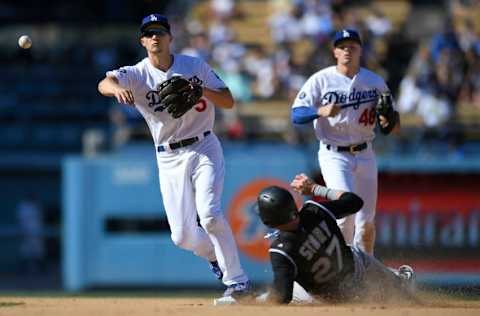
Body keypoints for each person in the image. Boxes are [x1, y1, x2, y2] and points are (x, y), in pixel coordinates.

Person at [98, 14, 250, 296]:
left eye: (160, 32)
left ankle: (237, 281)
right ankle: (216, 258)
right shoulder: (138, 73)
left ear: (170, 38)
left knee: (210, 215)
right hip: (168, 156)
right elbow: (104, 83)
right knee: (182, 237)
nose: (155, 37)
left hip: (204, 146)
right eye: (149, 33)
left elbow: (228, 100)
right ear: (143, 41)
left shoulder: (193, 65)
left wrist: (199, 90)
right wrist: (117, 90)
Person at [291, 29, 400, 255]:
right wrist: (320, 111)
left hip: (365, 153)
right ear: (335, 52)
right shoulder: (321, 80)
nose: (347, 50)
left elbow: (392, 127)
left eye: (352, 46)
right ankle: (341, 275)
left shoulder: (374, 82)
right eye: (342, 47)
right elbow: (296, 115)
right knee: (345, 216)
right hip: (334, 154)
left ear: (360, 50)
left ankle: (365, 274)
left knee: (366, 224)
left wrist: (387, 119)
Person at [255, 174, 415, 305]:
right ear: (292, 205)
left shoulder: (281, 250)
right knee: (395, 284)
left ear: (267, 222)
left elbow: (282, 297)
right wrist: (314, 188)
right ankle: (398, 283)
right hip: (358, 272)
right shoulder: (315, 211)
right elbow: (354, 202)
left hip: (328, 300)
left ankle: (239, 301)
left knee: (272, 296)